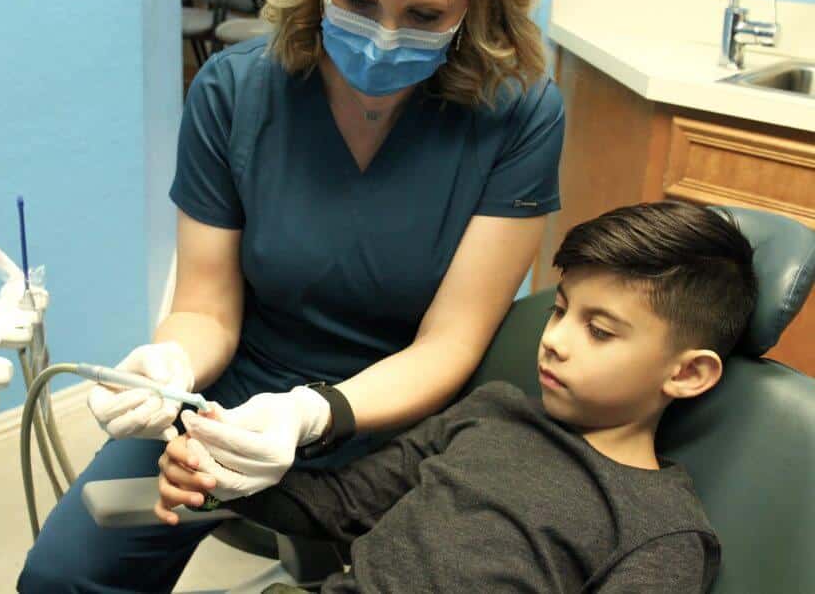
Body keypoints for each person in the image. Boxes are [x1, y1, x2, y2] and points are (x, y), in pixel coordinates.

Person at [18, 0, 563, 591]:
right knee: (63, 577)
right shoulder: (234, 92)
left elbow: (449, 344)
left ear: (477, 1)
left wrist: (311, 414)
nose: (383, 38)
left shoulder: (520, 115)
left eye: (424, 16)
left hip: (405, 422)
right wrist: (171, 365)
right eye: (358, 0)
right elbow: (205, 308)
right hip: (231, 406)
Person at [160, 201, 758, 593]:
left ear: (687, 374)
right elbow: (339, 504)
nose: (554, 341)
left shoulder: (661, 534)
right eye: (560, 310)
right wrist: (217, 476)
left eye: (599, 331)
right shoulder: (492, 411)